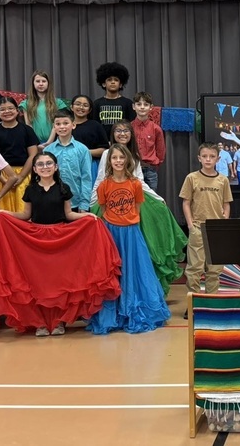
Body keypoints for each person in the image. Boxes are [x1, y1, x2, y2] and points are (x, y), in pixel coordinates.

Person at [0, 152, 121, 337]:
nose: (45, 167)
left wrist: (88, 217)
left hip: (60, 238)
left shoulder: (64, 188)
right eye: (40, 164)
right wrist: (3, 214)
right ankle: (40, 323)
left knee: (59, 282)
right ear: (34, 169)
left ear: (55, 167)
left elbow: (68, 214)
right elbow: (25, 215)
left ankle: (59, 322)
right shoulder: (30, 190)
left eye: (49, 163)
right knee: (39, 282)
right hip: (36, 240)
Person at [92, 121, 187, 295]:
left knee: (143, 244)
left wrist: (157, 198)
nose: (122, 134)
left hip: (131, 202)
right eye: (118, 130)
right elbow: (101, 179)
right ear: (113, 134)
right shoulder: (107, 153)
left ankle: (140, 288)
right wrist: (92, 204)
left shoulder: (134, 154)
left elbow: (139, 181)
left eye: (126, 131)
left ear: (131, 134)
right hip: (112, 201)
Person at [87, 144, 170, 334]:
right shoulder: (104, 185)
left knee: (134, 271)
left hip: (131, 234)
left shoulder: (135, 184)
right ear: (109, 161)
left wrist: (128, 222)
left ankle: (133, 310)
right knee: (114, 273)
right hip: (112, 234)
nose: (118, 161)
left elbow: (137, 208)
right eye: (114, 158)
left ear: (127, 160)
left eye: (121, 157)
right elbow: (104, 209)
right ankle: (114, 314)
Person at [180, 143, 234, 316]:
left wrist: (224, 222)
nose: (208, 160)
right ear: (199, 158)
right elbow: (186, 202)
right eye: (204, 156)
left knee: (214, 269)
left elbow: (226, 204)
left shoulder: (223, 180)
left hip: (216, 230)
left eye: (212, 156)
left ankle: (212, 302)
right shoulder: (192, 178)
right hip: (198, 227)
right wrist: (190, 225)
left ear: (218, 159)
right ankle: (194, 304)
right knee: (194, 269)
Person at [0, 97, 39, 213]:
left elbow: (33, 155)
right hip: (1, 176)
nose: (7, 112)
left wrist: (20, 176)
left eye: (10, 108)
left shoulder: (27, 130)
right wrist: (4, 179)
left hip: (24, 174)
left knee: (23, 210)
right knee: (2, 211)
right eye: (2, 109)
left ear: (17, 111)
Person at [44, 109, 92, 212]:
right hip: (51, 202)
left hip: (76, 203)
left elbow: (86, 177)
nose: (62, 127)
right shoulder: (47, 150)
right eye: (58, 124)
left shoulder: (83, 150)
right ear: (54, 127)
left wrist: (84, 204)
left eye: (66, 123)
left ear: (73, 125)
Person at [68, 94, 109, 186]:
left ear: (90, 110)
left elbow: (104, 149)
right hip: (68, 165)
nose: (81, 107)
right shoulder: (65, 125)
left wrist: (83, 152)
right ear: (71, 107)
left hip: (91, 165)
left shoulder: (95, 125)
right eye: (78, 104)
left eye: (85, 105)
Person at [20, 70, 68, 144]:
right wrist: (36, 143)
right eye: (37, 81)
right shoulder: (26, 103)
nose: (41, 84)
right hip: (35, 143)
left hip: (55, 141)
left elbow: (57, 124)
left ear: (48, 83)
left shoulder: (58, 103)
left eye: (44, 81)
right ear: (33, 83)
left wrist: (49, 142)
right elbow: (28, 125)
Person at [131, 91, 165, 192]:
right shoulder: (129, 127)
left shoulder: (156, 129)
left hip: (150, 170)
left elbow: (160, 150)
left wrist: (155, 164)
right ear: (133, 107)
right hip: (133, 169)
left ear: (151, 107)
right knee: (133, 196)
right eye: (139, 104)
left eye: (146, 104)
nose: (142, 107)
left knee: (151, 198)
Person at [92, 62, 136, 135]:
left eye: (116, 80)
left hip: (122, 138)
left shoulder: (128, 103)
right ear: (104, 84)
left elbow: (131, 125)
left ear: (120, 84)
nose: (113, 82)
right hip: (103, 140)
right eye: (109, 80)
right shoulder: (97, 103)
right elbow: (95, 125)